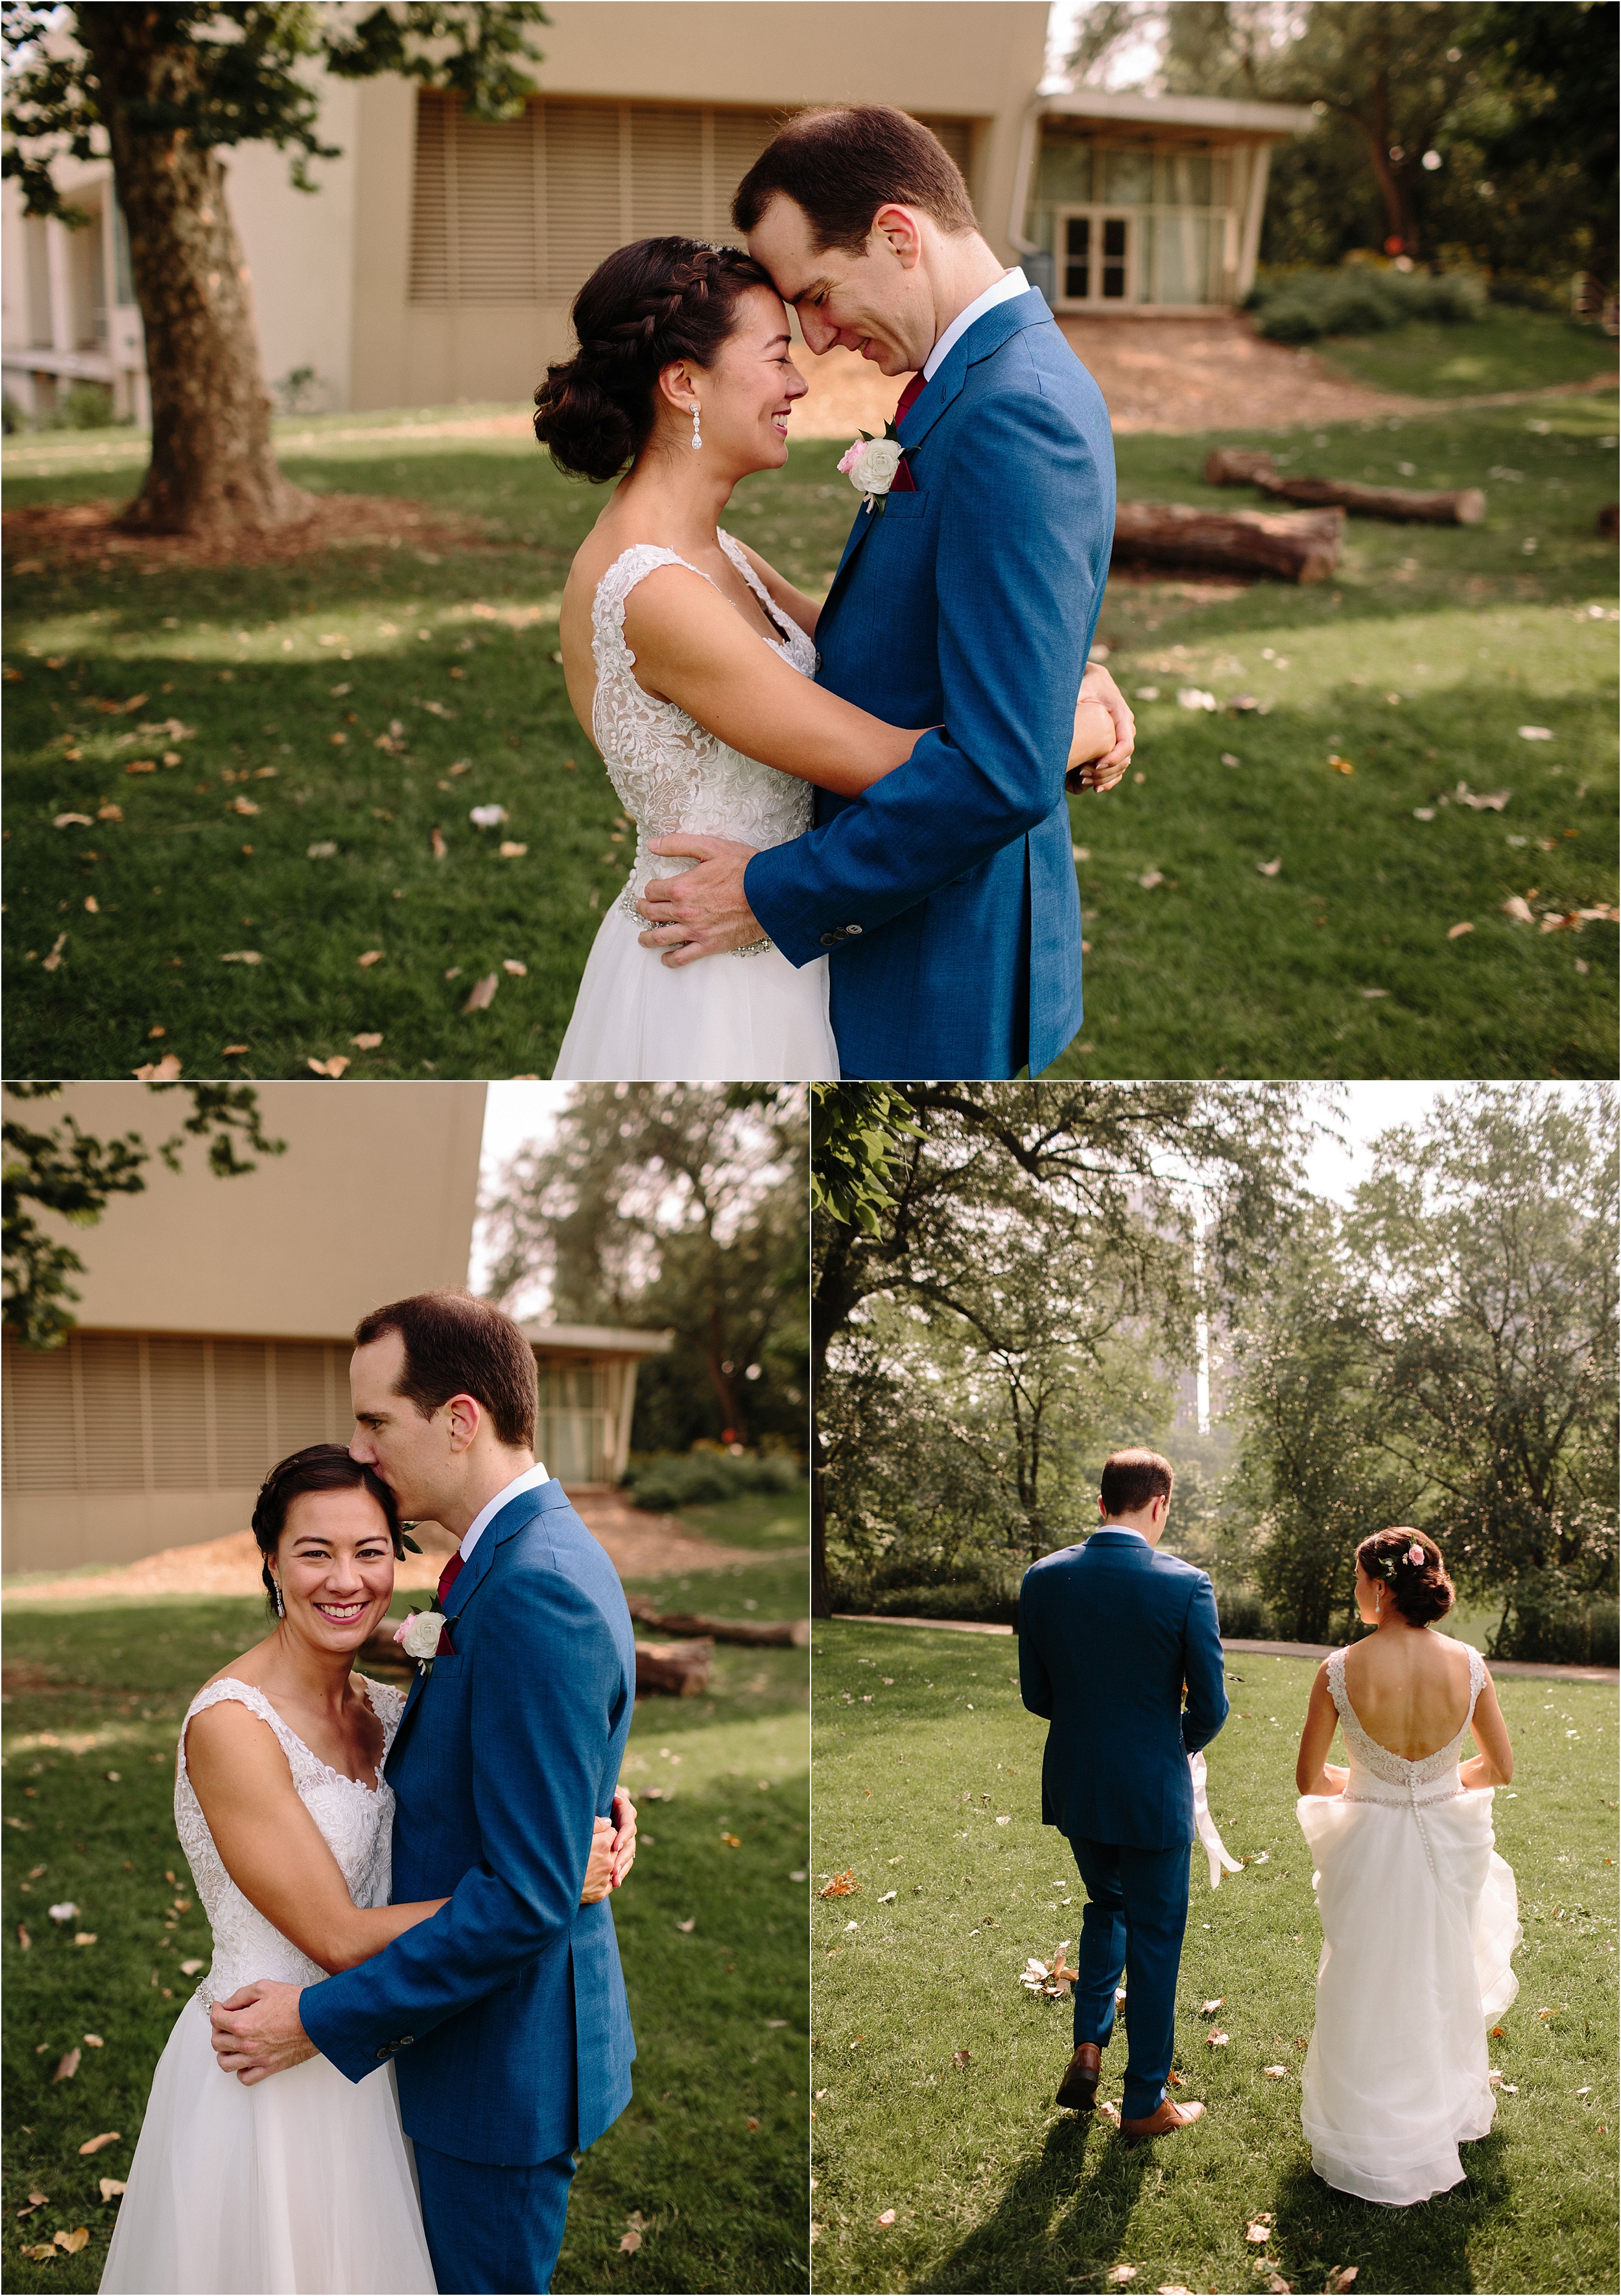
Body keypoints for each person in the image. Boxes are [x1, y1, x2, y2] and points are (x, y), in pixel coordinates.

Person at [537, 233, 1123, 1082]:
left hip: (777, 957)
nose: (800, 381)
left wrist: (1068, 679)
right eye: (776, 355)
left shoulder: (719, 555)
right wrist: (1086, 725)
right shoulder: (654, 593)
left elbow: (858, 669)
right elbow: (888, 759)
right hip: (715, 980)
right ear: (683, 383)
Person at [100, 1441, 627, 2294]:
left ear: (397, 1560)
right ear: (270, 1560)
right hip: (269, 2063)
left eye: (370, 1551)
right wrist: (545, 1880)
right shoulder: (232, 1727)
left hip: (385, 2054)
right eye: (315, 1551)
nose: (344, 1579)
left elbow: (520, 1761)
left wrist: (597, 1812)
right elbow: (342, 1936)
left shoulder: (390, 1707)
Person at [205, 1295, 641, 2295]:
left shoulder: (535, 1583)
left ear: (458, 1420)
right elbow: (534, 1770)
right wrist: (597, 1822)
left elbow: (526, 1897)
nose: (360, 1452)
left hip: (497, 2067)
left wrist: (318, 2021)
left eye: (375, 1422)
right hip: (459, 2044)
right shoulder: (511, 1559)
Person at [1295, 1527, 1520, 2207]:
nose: (1354, 1589)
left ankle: (1366, 2129)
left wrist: (1370, 1782)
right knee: (1439, 1969)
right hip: (1446, 1834)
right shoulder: (1469, 1662)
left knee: (1365, 1974)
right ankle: (1440, 2113)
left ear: (1383, 1585)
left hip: (1368, 1838)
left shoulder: (1339, 1667)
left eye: (1358, 1578)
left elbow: (1309, 1778)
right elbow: (1500, 1768)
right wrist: (1432, 1784)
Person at [1017, 1449, 1227, 2140]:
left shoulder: (1043, 1578)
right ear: (1159, 1505)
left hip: (1079, 1785)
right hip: (1149, 1788)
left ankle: (1087, 2045)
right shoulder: (1186, 1584)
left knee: (1105, 1905)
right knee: (1158, 1939)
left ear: (1103, 1500)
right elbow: (1213, 1706)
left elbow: (1037, 1694)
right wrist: (1174, 1743)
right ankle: (1144, 2104)